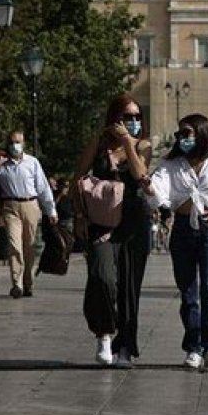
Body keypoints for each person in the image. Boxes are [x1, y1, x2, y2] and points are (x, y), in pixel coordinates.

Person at [149, 113, 208, 370]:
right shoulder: (171, 163)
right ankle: (193, 347)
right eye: (180, 134)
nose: (182, 139)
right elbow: (159, 187)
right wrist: (152, 193)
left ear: (201, 133)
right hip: (183, 229)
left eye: (187, 133)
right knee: (188, 291)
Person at [74, 94, 152, 368]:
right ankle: (104, 332)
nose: (132, 122)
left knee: (129, 288)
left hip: (134, 224)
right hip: (101, 223)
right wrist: (80, 215)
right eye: (126, 117)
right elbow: (78, 177)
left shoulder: (143, 145)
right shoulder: (98, 144)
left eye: (136, 117)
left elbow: (141, 174)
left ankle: (125, 347)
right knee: (102, 276)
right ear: (114, 118)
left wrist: (129, 144)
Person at [0, 130, 57, 298]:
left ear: (24, 144)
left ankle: (29, 282)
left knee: (29, 246)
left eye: (19, 141)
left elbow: (43, 187)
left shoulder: (32, 162)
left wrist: (50, 210)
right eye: (13, 141)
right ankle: (17, 284)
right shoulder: (2, 164)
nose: (16, 145)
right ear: (8, 143)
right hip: (10, 207)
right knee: (15, 245)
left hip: (31, 204)